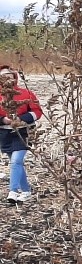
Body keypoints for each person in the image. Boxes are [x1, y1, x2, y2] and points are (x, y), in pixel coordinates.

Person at [0, 66, 42, 203]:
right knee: (16, 163)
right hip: (5, 134)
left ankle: (13, 191)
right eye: (3, 76)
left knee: (16, 161)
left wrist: (21, 119)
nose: (7, 78)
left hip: (24, 132)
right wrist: (3, 120)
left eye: (9, 75)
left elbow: (37, 111)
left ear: (14, 77)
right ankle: (26, 191)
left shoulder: (26, 94)